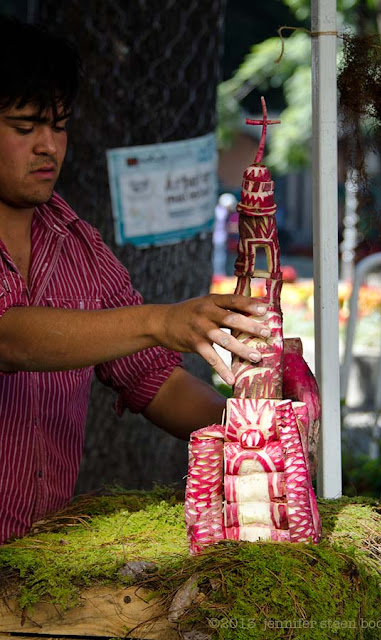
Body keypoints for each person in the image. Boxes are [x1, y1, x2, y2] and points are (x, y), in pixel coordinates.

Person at [0, 16, 270, 544]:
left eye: (59, 126)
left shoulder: (79, 247)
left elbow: (154, 381)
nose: (48, 146)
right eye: (25, 126)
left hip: (31, 562)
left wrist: (256, 432)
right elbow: (9, 337)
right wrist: (161, 321)